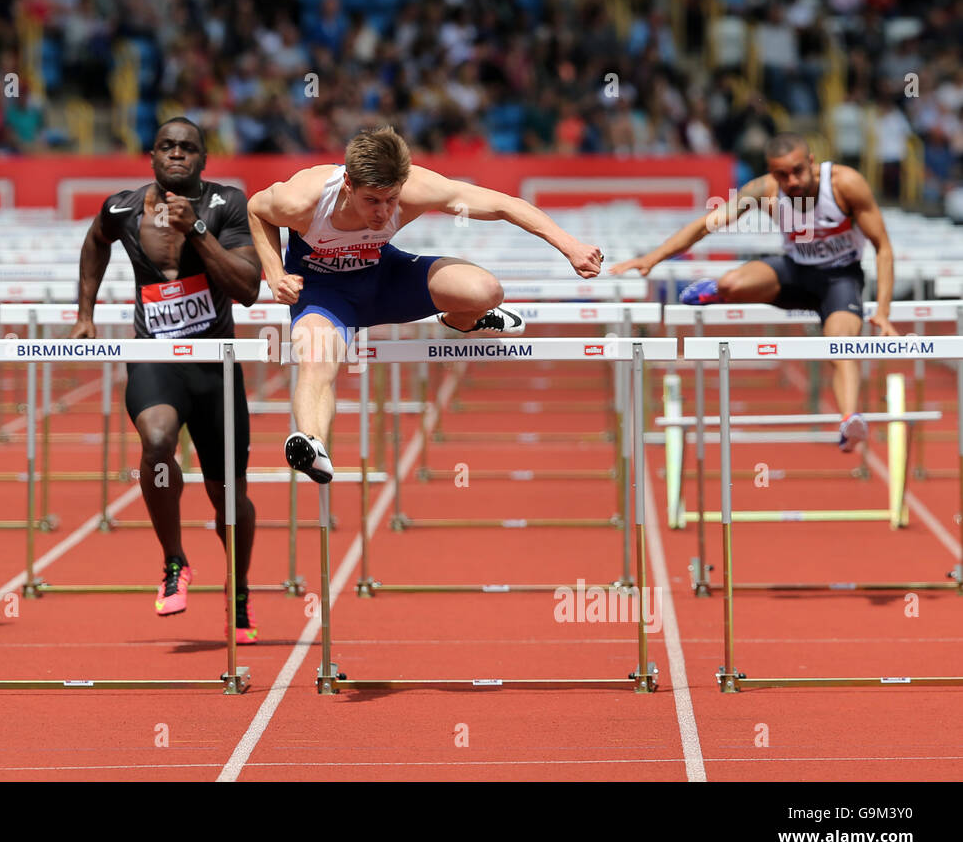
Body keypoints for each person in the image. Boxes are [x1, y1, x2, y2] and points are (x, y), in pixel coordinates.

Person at [246, 125, 603, 483]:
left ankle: (463, 319)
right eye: (372, 200)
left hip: (385, 279)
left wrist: (569, 245)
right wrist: (276, 275)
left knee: (486, 290)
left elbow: (503, 204)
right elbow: (256, 210)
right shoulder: (303, 198)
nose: (383, 212)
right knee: (316, 359)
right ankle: (312, 443)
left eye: (392, 200)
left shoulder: (417, 187)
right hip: (324, 294)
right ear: (348, 185)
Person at [70, 118, 264, 644]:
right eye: (167, 147)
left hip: (215, 364)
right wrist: (84, 311)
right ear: (151, 156)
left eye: (188, 149)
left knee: (229, 496)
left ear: (203, 159)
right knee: (157, 441)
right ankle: (174, 559)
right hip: (155, 358)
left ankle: (239, 588)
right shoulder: (124, 207)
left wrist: (195, 229)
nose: (177, 155)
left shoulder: (227, 204)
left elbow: (248, 289)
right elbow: (95, 241)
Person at [609, 132, 896, 451]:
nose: (792, 181)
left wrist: (883, 311)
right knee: (732, 282)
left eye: (798, 170)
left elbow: (883, 247)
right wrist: (652, 259)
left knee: (840, 345)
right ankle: (721, 291)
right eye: (781, 175)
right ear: (771, 173)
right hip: (795, 272)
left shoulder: (845, 184)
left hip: (839, 278)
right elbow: (707, 224)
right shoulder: (764, 190)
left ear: (812, 163)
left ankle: (848, 420)